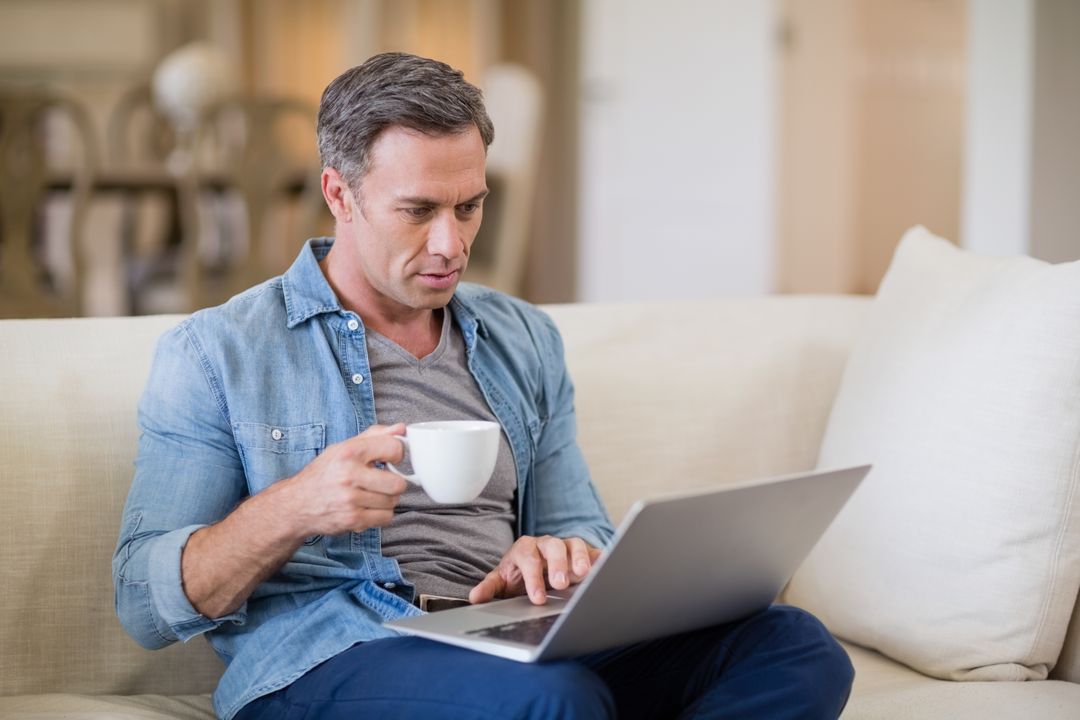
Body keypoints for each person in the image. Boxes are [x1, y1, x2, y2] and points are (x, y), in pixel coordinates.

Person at [113, 52, 854, 720]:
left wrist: (557, 555)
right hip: (334, 652)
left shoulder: (522, 337)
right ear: (340, 194)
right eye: (418, 211)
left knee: (793, 645)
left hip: (504, 635)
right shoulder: (220, 351)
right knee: (554, 700)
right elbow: (143, 602)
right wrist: (295, 507)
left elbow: (581, 525)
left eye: (469, 206)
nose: (452, 244)